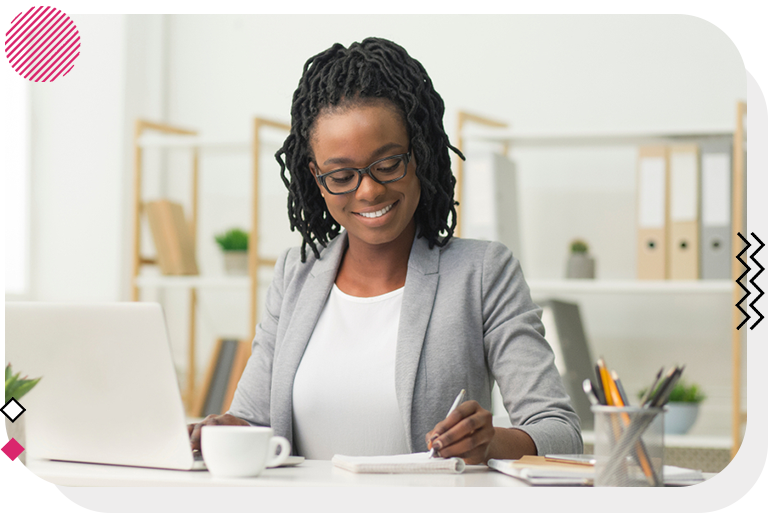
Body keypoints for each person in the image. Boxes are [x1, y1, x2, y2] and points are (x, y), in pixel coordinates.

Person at [188, 37, 582, 464]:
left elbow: (560, 432)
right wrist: (221, 429)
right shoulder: (295, 275)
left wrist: (491, 444)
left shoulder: (482, 272)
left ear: (420, 153)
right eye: (341, 175)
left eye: (388, 163)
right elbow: (251, 419)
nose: (370, 190)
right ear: (316, 178)